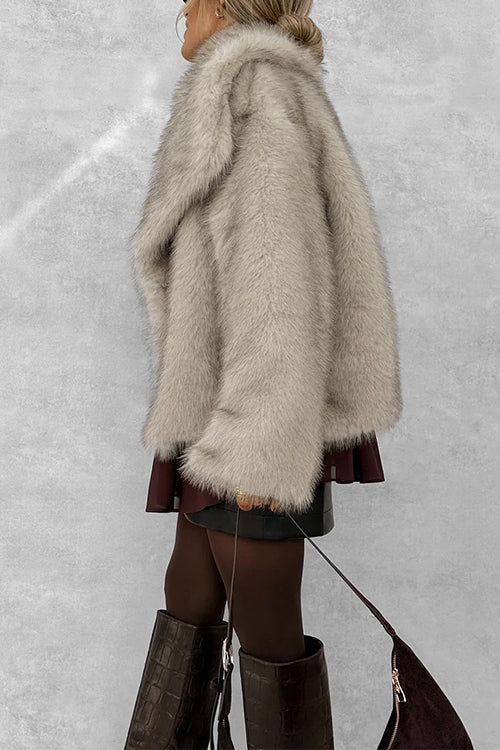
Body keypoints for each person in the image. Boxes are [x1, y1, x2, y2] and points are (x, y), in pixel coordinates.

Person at [124, 0, 403, 748]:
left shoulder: (256, 92)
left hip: (256, 419)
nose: (182, 9)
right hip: (221, 407)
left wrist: (261, 441)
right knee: (190, 598)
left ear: (225, 6)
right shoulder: (246, 86)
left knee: (266, 629)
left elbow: (279, 286)